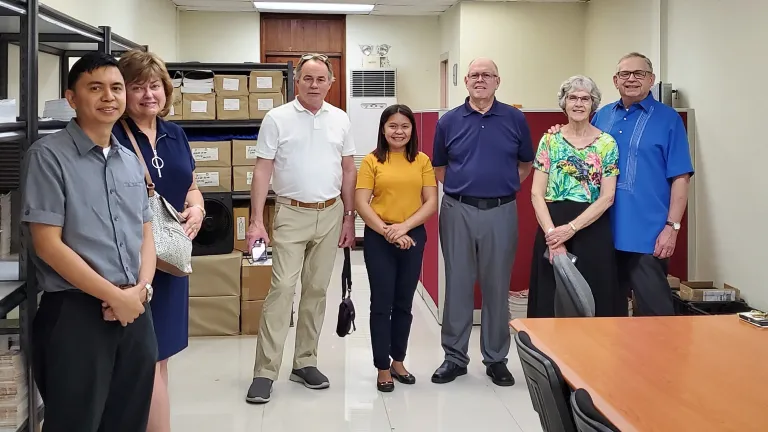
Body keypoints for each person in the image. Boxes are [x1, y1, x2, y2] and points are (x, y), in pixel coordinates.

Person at [21, 51, 157, 432]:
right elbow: (48, 244)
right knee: (76, 423)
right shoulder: (48, 157)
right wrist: (115, 296)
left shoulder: (129, 159)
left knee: (129, 419)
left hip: (135, 312)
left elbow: (146, 231)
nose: (108, 97)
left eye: (116, 88)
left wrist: (140, 292)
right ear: (71, 98)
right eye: (95, 88)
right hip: (76, 315)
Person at [245, 53, 357, 404]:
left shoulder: (340, 119)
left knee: (316, 291)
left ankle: (304, 362)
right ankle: (265, 371)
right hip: (291, 213)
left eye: (320, 79)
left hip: (331, 213)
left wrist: (349, 216)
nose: (314, 85)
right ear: (297, 81)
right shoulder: (277, 118)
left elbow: (349, 170)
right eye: (307, 78)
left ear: (330, 82)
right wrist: (256, 221)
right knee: (281, 290)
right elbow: (262, 171)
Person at [549, 53, 694, 316]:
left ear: (651, 79)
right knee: (606, 313)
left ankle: (660, 359)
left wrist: (672, 227)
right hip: (600, 232)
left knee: (656, 315)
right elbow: (579, 148)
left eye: (639, 74)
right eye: (625, 74)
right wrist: (558, 133)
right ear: (615, 81)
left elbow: (681, 178)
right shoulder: (602, 116)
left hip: (647, 235)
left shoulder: (668, 120)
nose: (631, 79)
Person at [111, 49, 204, 432]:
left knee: (161, 356)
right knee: (143, 359)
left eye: (155, 86)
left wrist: (197, 208)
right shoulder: (113, 135)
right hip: (133, 261)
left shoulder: (174, 133)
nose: (148, 95)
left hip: (173, 256)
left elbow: (190, 186)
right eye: (137, 87)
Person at [431, 58, 534, 387]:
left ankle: (495, 358)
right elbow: (440, 169)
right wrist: (468, 189)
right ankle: (454, 358)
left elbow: (525, 163)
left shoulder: (515, 119)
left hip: (501, 211)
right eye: (474, 75)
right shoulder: (448, 121)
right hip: (458, 209)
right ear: (465, 80)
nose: (480, 80)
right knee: (458, 284)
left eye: (486, 75)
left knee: (496, 285)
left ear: (497, 81)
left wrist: (498, 187)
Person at [355, 104, 438, 392]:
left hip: (413, 236)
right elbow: (362, 204)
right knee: (381, 303)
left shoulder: (423, 161)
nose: (398, 131)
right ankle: (381, 366)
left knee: (404, 302)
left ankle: (398, 361)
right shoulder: (371, 161)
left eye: (404, 126)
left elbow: (430, 202)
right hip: (380, 237)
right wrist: (390, 232)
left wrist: (403, 229)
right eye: (392, 126)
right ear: (383, 129)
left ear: (412, 129)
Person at [528, 75, 625, 318]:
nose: (579, 103)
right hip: (552, 227)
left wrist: (570, 229)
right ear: (564, 103)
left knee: (595, 299)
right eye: (573, 97)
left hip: (591, 227)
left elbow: (607, 196)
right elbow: (536, 193)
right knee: (550, 302)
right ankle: (547, 356)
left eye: (585, 98)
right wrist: (553, 236)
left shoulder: (606, 144)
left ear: (593, 104)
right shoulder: (549, 140)